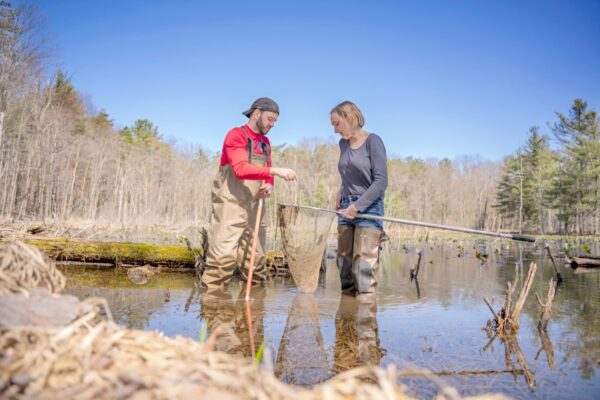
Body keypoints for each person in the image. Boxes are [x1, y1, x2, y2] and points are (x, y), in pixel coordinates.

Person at [201, 97, 297, 290]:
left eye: (275, 121)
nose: (272, 124)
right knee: (223, 256)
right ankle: (214, 308)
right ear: (256, 113)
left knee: (256, 258)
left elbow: (267, 170)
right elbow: (241, 169)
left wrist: (269, 184)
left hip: (255, 205)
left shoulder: (265, 143)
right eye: (270, 119)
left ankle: (254, 310)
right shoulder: (235, 135)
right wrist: (275, 172)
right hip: (231, 202)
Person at [331, 101, 388, 297]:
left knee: (363, 266)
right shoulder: (343, 144)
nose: (335, 129)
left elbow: (381, 182)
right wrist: (341, 189)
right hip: (345, 206)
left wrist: (357, 207)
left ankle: (364, 321)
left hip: (369, 208)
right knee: (344, 263)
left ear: (350, 117)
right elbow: (349, 172)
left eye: (337, 123)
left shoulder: (373, 141)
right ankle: (345, 321)